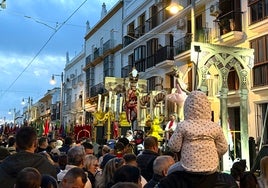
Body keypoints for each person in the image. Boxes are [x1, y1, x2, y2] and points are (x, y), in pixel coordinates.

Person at [168, 90, 228, 173]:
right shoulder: (215, 127)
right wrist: (212, 153)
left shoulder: (183, 125)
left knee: (171, 171)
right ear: (207, 107)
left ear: (187, 108)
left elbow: (174, 146)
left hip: (188, 166)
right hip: (211, 166)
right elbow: (223, 147)